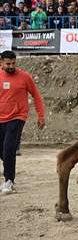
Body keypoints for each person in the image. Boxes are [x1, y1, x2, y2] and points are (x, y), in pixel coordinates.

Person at [0, 51, 45, 194]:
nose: (11, 66)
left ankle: (9, 181)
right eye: (8, 64)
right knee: (3, 152)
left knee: (9, 149)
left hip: (17, 117)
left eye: (13, 63)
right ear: (1, 63)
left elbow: (36, 95)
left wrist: (41, 115)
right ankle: (8, 167)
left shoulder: (25, 77)